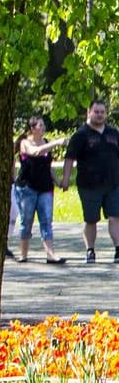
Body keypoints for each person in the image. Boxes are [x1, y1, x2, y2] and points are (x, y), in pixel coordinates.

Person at [62, 101, 119, 263]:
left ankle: (118, 249)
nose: (100, 115)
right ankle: (90, 250)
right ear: (89, 113)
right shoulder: (81, 135)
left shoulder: (113, 133)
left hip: (113, 183)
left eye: (102, 112)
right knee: (91, 219)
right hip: (89, 185)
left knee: (115, 216)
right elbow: (69, 158)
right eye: (96, 112)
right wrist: (65, 179)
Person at [14, 116, 67, 264]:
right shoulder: (25, 143)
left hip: (45, 188)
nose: (43, 128)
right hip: (27, 188)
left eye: (44, 126)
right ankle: (23, 254)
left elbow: (48, 167)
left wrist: (59, 182)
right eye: (40, 126)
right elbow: (35, 152)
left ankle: (51, 255)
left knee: (46, 221)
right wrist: (57, 143)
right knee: (27, 221)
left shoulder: (46, 143)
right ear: (32, 128)